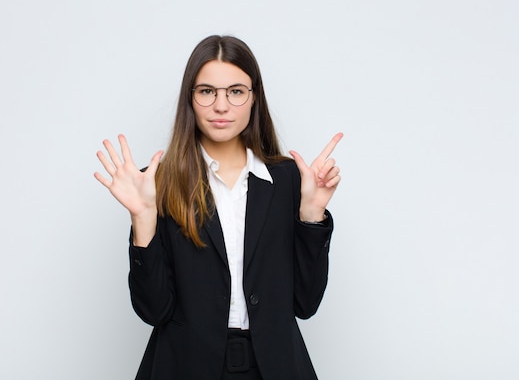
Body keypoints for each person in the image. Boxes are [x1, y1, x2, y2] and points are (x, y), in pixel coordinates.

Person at [94, 35, 342, 380]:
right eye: (207, 91)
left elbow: (305, 304)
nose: (221, 106)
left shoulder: (289, 181)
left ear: (254, 98)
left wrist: (311, 216)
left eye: (236, 91)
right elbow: (154, 310)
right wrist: (143, 220)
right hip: (185, 366)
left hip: (273, 366)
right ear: (191, 100)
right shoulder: (158, 183)